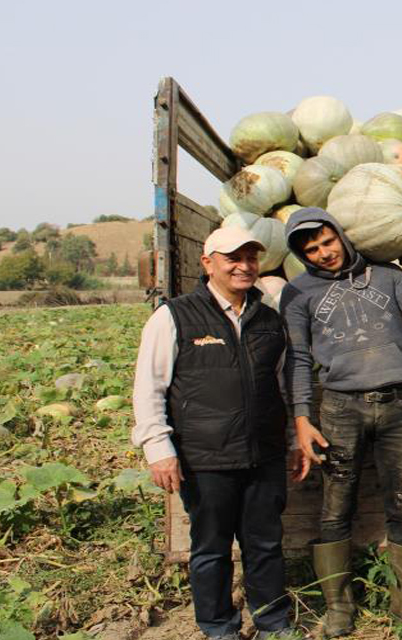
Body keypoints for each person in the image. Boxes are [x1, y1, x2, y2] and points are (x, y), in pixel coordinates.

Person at [279, 208, 402, 636]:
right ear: (302, 256)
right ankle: (338, 607)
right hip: (339, 408)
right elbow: (297, 360)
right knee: (336, 505)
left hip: (401, 405)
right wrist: (301, 417)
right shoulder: (298, 293)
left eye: (326, 241)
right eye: (311, 250)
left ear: (341, 235)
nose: (323, 253)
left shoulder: (386, 275)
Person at [130, 226, 296, 640]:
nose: (244, 267)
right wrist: (158, 448)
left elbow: (282, 388)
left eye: (251, 258)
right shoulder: (175, 315)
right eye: (233, 258)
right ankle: (219, 627)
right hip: (204, 456)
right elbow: (149, 385)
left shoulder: (269, 319)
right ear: (208, 263)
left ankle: (273, 623)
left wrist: (291, 440)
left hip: (264, 454)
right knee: (210, 549)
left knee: (265, 545)